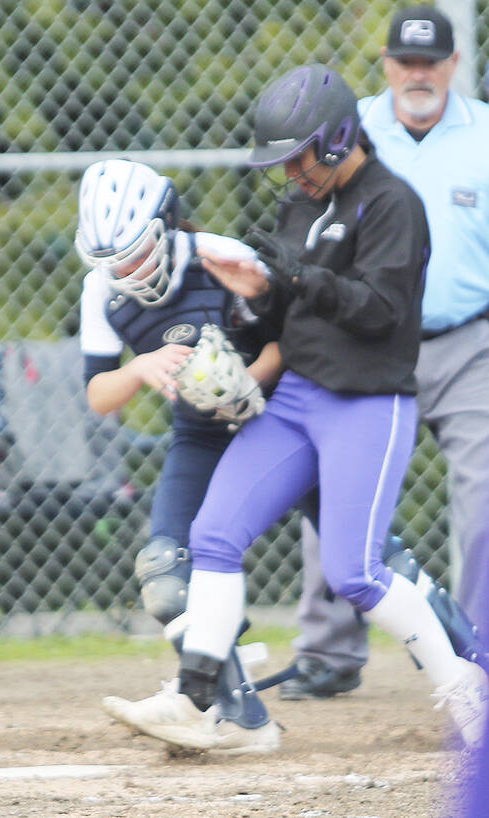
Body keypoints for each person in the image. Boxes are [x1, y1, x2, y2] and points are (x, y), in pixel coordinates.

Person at [109, 62, 488, 753]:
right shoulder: (302, 206)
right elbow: (284, 312)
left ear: (339, 138)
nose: (292, 174)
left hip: (368, 404)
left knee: (356, 572)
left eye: (298, 158)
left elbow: (380, 312)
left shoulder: (392, 204)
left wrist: (290, 275)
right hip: (297, 401)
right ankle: (202, 704)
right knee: (214, 537)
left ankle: (467, 690)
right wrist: (253, 296)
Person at [282, 3, 489, 703]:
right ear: (386, 64)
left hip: (467, 344)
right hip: (361, 344)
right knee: (334, 485)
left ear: (455, 65)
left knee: (486, 495)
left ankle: (477, 651)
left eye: (432, 61)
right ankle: (328, 653)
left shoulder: (486, 137)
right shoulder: (349, 130)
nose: (419, 73)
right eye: (406, 60)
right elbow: (304, 222)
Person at [76, 158, 284, 753]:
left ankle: (467, 665)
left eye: (137, 251)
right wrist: (137, 368)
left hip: (283, 419)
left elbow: (294, 338)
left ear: (167, 224)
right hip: (201, 432)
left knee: (364, 558)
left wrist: (249, 379)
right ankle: (234, 711)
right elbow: (97, 396)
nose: (126, 270)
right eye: (113, 260)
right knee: (165, 575)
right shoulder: (103, 291)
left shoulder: (219, 257)